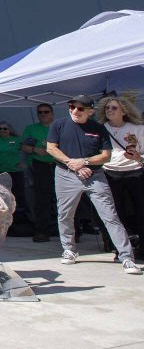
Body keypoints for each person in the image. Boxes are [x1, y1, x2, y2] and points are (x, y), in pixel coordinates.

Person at [46, 94, 141, 275]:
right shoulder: (58, 125)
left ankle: (126, 257)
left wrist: (84, 162)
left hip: (94, 175)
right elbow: (51, 148)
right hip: (65, 174)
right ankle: (69, 249)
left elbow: (106, 155)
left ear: (90, 111)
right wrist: (71, 163)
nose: (75, 111)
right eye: (72, 107)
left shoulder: (98, 128)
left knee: (110, 215)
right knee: (65, 214)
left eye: (80, 108)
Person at [99, 96, 144, 257]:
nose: (109, 110)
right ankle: (120, 247)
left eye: (114, 108)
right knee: (116, 212)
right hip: (109, 172)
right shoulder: (100, 128)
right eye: (107, 108)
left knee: (141, 210)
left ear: (124, 111)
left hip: (135, 172)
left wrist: (138, 157)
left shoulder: (137, 128)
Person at [21, 103, 58, 242]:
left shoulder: (59, 127)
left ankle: (75, 230)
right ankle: (42, 231)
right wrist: (35, 150)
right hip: (40, 165)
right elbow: (24, 146)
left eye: (46, 112)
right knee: (42, 199)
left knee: (66, 197)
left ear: (52, 113)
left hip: (59, 164)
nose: (43, 114)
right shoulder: (31, 128)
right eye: (40, 112)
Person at [0, 121, 32, 229]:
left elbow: (29, 151)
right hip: (1, 172)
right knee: (3, 196)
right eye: (0, 128)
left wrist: (26, 164)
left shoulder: (17, 140)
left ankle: (21, 220)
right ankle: (4, 221)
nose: (2, 130)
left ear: (10, 130)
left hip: (16, 172)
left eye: (5, 128)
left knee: (19, 195)